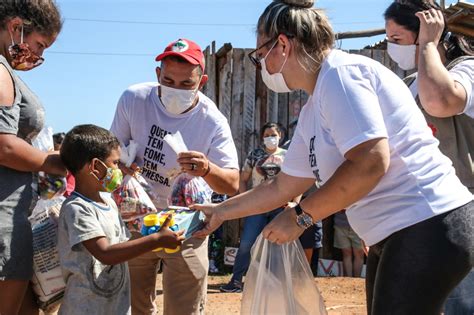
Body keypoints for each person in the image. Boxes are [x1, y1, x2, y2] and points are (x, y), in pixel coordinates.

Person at [193, 0, 474, 314]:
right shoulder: (316, 104)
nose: (261, 66)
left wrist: (301, 216)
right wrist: (222, 211)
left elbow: (370, 161)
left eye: (260, 54)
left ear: (282, 45)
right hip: (402, 230)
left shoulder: (341, 76)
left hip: (427, 221)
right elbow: (281, 187)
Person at [110, 38, 239, 315]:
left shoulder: (212, 120)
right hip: (136, 221)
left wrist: (207, 169)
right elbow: (111, 155)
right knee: (133, 306)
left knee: (185, 307)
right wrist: (122, 167)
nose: (175, 90)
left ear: (201, 81)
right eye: (168, 81)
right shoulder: (134, 99)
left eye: (186, 85)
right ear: (157, 74)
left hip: (187, 227)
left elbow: (232, 184)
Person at [384, 1, 474, 313]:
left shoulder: (467, 70)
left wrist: (427, 44)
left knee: (460, 306)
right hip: (419, 215)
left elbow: (439, 101)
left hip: (464, 211)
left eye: (397, 39)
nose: (391, 48)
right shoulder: (408, 85)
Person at [57, 125, 184, 315]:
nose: (119, 169)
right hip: (85, 308)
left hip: (115, 306)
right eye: (115, 163)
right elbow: (105, 253)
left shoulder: (108, 200)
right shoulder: (77, 209)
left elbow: (121, 241)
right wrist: (156, 240)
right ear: (95, 167)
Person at [0, 2, 65, 314]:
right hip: (4, 219)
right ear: (16, 27)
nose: (40, 56)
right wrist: (51, 162)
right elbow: (4, 146)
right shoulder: (0, 71)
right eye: (40, 44)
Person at [220, 122, 296, 293]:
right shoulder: (255, 155)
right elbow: (243, 178)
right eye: (267, 135)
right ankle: (236, 281)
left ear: (280, 136)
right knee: (247, 243)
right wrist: (244, 200)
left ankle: (277, 285)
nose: (271, 138)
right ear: (262, 138)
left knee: (279, 246)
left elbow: (299, 178)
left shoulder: (288, 156)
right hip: (257, 207)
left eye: (273, 135)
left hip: (280, 207)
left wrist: (295, 202)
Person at [333, 210, 364, 277]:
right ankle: (348, 279)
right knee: (346, 253)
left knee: (359, 253)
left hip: (358, 225)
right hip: (340, 224)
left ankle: (357, 279)